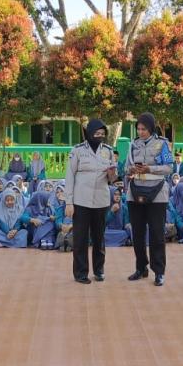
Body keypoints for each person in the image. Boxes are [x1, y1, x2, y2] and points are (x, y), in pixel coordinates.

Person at [64, 119, 117, 283]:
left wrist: (111, 174)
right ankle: (81, 273)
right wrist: (69, 202)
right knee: (80, 239)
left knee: (99, 238)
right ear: (89, 133)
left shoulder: (108, 151)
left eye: (102, 134)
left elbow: (113, 179)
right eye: (97, 133)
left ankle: (99, 270)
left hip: (101, 201)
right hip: (81, 201)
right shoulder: (78, 150)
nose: (100, 136)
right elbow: (70, 176)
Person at [125, 113, 172, 286]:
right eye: (138, 128)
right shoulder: (133, 145)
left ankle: (159, 271)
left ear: (151, 129)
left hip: (157, 193)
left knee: (157, 234)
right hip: (135, 190)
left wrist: (149, 169)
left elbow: (168, 168)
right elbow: (125, 168)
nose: (141, 132)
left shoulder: (162, 144)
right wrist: (131, 169)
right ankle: (141, 268)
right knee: (137, 233)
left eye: (144, 129)